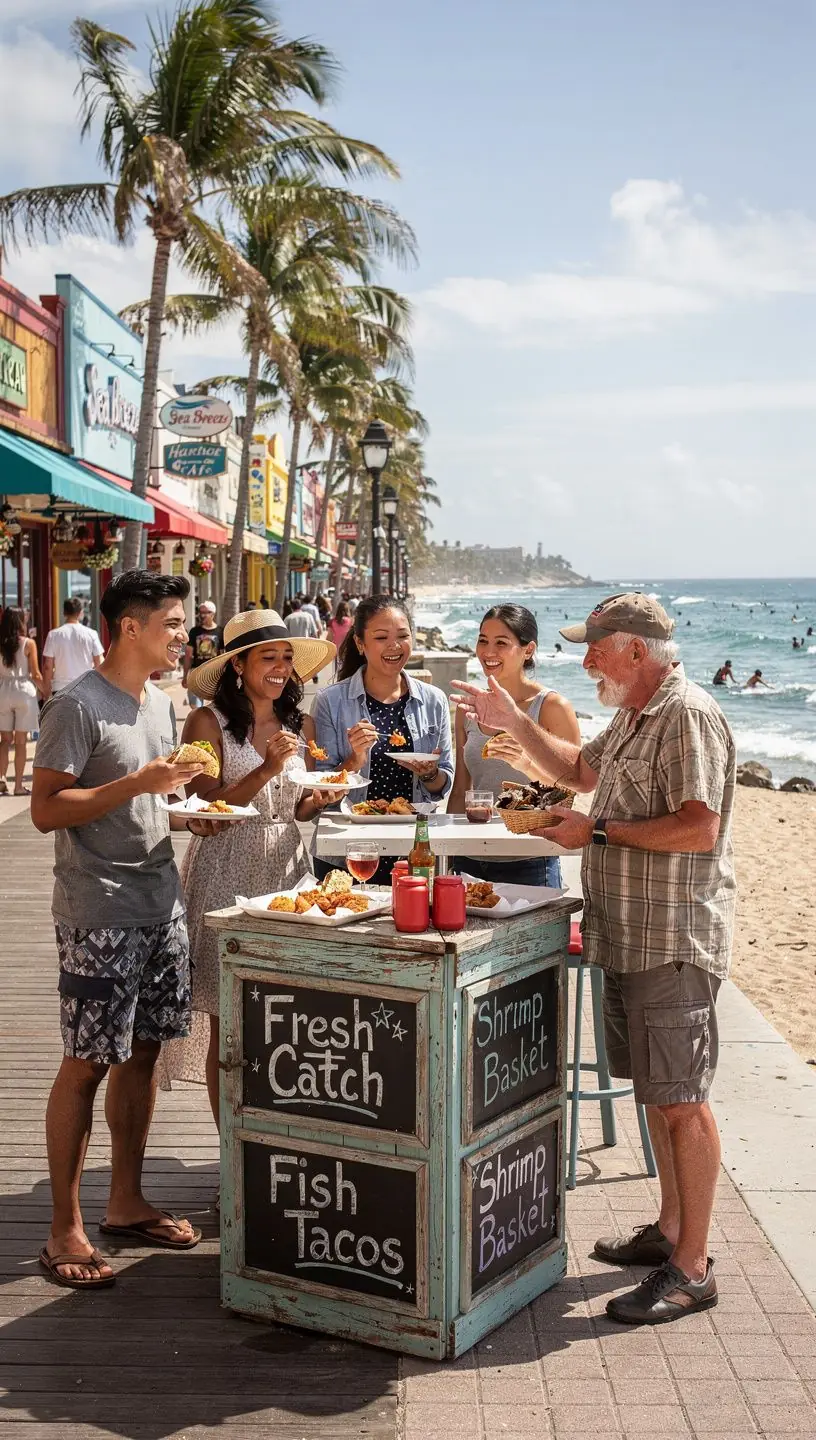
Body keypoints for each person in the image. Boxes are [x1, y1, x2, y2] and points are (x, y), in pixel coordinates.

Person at [453, 592, 735, 1326]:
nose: (584, 661)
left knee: (682, 1101)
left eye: (596, 649)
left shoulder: (686, 714)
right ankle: (671, 1231)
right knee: (657, 1091)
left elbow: (698, 829)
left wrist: (598, 831)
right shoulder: (636, 713)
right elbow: (580, 770)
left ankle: (693, 1269)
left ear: (637, 651)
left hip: (672, 936)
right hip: (630, 931)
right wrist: (514, 722)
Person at [30, 570, 217, 1290]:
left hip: (160, 900)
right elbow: (48, 808)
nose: (184, 636)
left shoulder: (162, 704)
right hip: (99, 908)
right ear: (129, 627)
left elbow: (148, 796)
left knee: (140, 1054)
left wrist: (181, 810)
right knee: (86, 1061)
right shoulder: (77, 705)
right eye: (173, 624)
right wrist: (138, 787)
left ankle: (125, 1200)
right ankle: (62, 1228)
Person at [160, 608, 337, 1130]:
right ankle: (232, 1157)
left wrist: (320, 798)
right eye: (268, 657)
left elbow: (295, 808)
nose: (281, 668)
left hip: (288, 870)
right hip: (225, 873)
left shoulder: (296, 724)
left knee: (288, 1020)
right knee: (230, 1024)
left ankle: (276, 1140)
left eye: (287, 657)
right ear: (239, 665)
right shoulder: (204, 723)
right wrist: (267, 768)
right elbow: (206, 814)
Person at [313, 595, 453, 883]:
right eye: (381, 637)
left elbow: (442, 783)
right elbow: (321, 787)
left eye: (403, 636)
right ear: (361, 644)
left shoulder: (433, 701)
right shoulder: (331, 701)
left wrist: (430, 774)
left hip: (413, 849)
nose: (394, 646)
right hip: (348, 848)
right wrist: (354, 759)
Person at [449, 604, 579, 887]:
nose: (488, 652)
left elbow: (571, 790)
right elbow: (461, 789)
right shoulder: (468, 709)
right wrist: (448, 852)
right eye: (482, 641)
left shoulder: (552, 707)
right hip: (470, 860)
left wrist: (528, 763)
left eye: (501, 643)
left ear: (528, 650)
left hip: (530, 861)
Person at [0, 606, 43, 796]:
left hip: (3, 691)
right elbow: (35, 673)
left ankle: (1, 779)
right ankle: (18, 786)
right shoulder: (28, 644)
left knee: (4, 741)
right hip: (24, 691)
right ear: (20, 622)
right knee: (20, 742)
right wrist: (46, 691)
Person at [41, 598, 104, 700]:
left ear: (64, 613)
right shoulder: (91, 634)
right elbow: (99, 662)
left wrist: (46, 691)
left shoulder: (53, 635)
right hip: (85, 688)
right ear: (80, 613)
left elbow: (48, 666)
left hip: (60, 689)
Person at [182, 600, 223, 708]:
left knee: (216, 707)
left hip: (214, 674)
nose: (202, 615)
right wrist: (185, 676)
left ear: (213, 614)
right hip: (196, 673)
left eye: (206, 612)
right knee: (195, 706)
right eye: (201, 612)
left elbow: (223, 655)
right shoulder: (194, 631)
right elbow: (188, 655)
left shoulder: (220, 632)